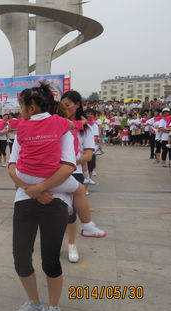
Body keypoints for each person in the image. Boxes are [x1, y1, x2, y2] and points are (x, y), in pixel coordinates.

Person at [8, 90, 76, 311]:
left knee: (50, 259)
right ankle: (35, 303)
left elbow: (68, 166)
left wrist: (42, 188)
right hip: (24, 199)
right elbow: (12, 166)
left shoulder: (62, 130)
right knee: (21, 257)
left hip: (54, 201)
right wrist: (31, 189)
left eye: (22, 106)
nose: (20, 111)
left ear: (33, 107)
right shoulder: (23, 131)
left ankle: (53, 307)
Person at [62, 91, 106, 264]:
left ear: (78, 104)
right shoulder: (57, 123)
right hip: (55, 171)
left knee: (71, 211)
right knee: (55, 210)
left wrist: (71, 163)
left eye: (68, 105)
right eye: (62, 105)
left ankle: (72, 244)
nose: (65, 108)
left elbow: (88, 155)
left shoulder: (85, 128)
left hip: (74, 171)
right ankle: (54, 241)